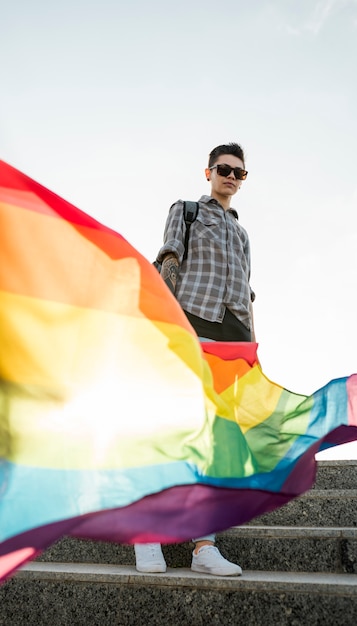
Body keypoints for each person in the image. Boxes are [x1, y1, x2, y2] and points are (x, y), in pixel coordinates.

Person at [135, 143, 255, 577]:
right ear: (208, 173)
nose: (231, 177)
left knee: (216, 439)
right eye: (224, 169)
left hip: (233, 336)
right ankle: (147, 534)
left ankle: (204, 546)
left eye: (239, 173)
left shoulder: (242, 234)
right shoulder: (186, 211)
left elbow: (247, 292)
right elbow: (170, 258)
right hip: (190, 322)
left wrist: (253, 346)